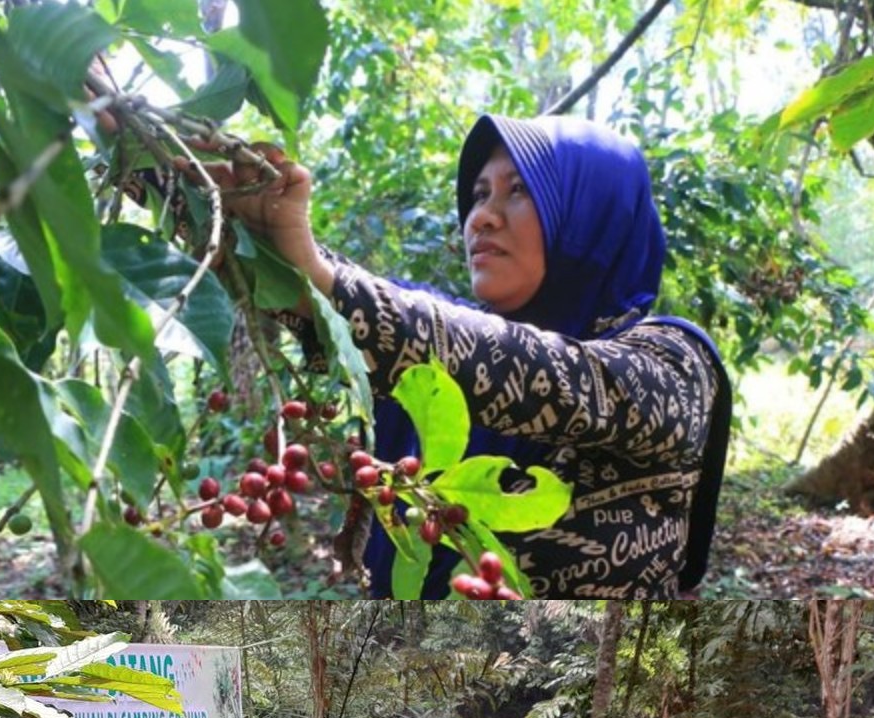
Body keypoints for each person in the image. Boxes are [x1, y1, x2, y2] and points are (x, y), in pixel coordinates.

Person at [210, 114, 731, 599]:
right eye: (479, 194)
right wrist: (179, 183)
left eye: (520, 189)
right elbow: (367, 308)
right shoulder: (445, 331)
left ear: (595, 212)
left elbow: (547, 378)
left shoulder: (676, 364)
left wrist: (324, 282)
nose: (481, 216)